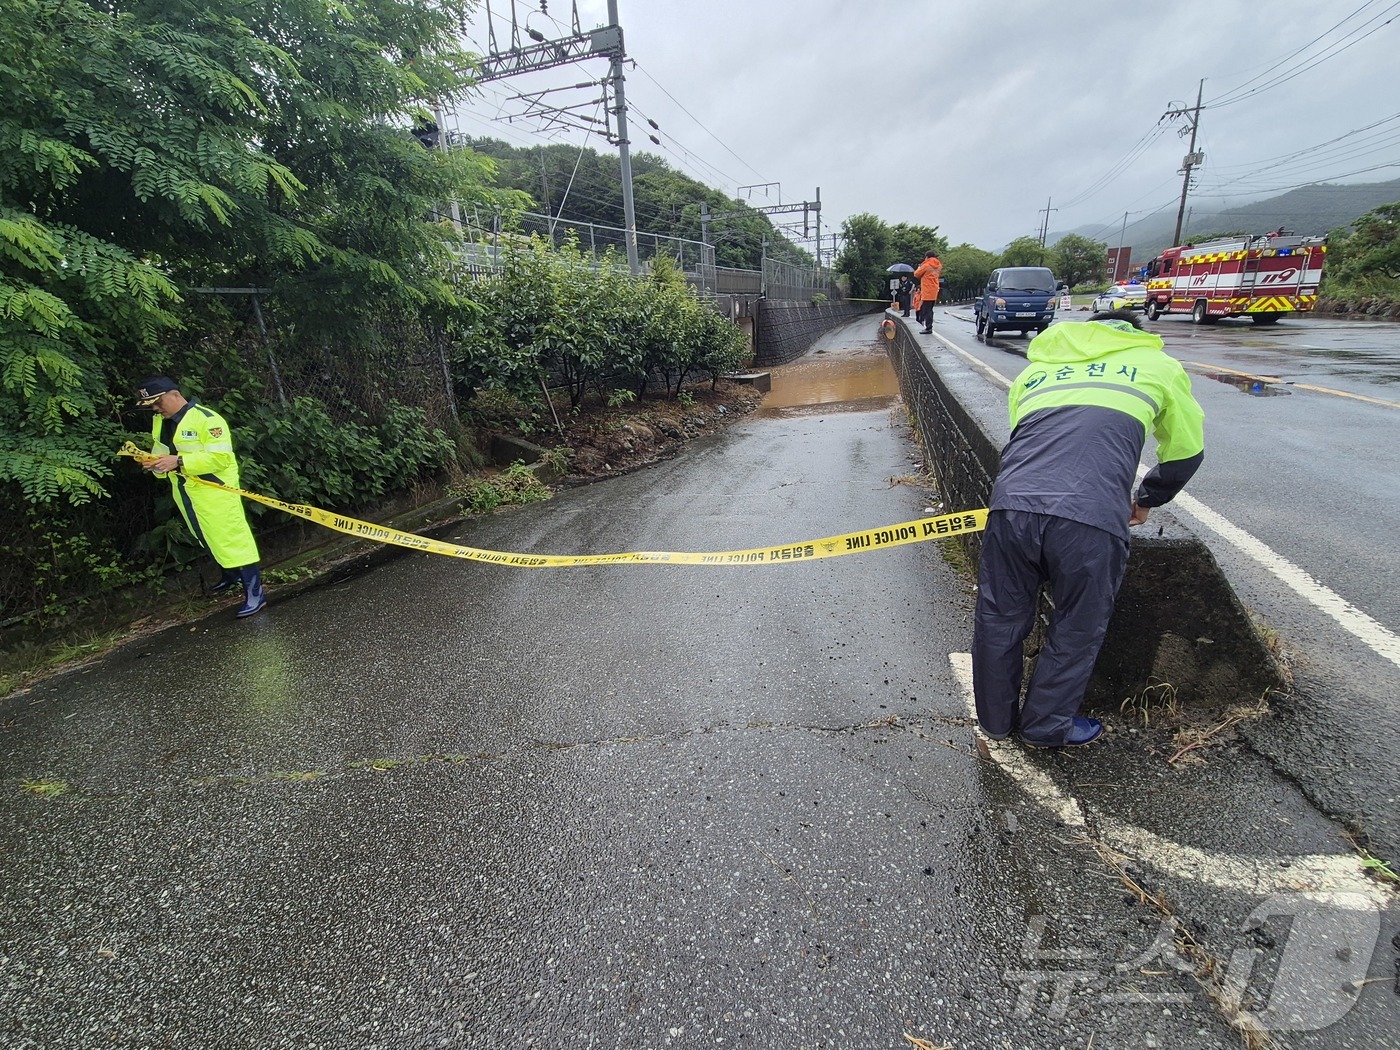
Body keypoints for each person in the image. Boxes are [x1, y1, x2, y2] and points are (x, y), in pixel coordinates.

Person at [972, 310, 1205, 747]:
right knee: (1077, 624)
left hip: (1012, 507)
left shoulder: (1038, 371)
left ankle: (996, 723)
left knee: (998, 616)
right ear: (1134, 331)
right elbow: (1186, 451)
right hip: (1091, 515)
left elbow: (1028, 440)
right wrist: (1146, 499)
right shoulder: (1159, 366)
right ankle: (1045, 727)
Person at [135, 376, 268, 618]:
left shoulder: (207, 420)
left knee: (232, 538)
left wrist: (179, 461)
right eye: (151, 405)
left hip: (215, 489)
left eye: (158, 402)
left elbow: (221, 458)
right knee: (203, 535)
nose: (155, 409)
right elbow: (162, 451)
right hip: (185, 489)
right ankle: (231, 575)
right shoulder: (160, 421)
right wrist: (154, 463)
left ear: (174, 395)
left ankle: (255, 591)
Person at [912, 250, 942, 333]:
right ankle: (929, 326)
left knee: (926, 310)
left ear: (927, 257)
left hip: (927, 290)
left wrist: (919, 267)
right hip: (934, 289)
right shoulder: (939, 265)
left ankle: (928, 328)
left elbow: (916, 274)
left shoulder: (926, 265)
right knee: (930, 309)